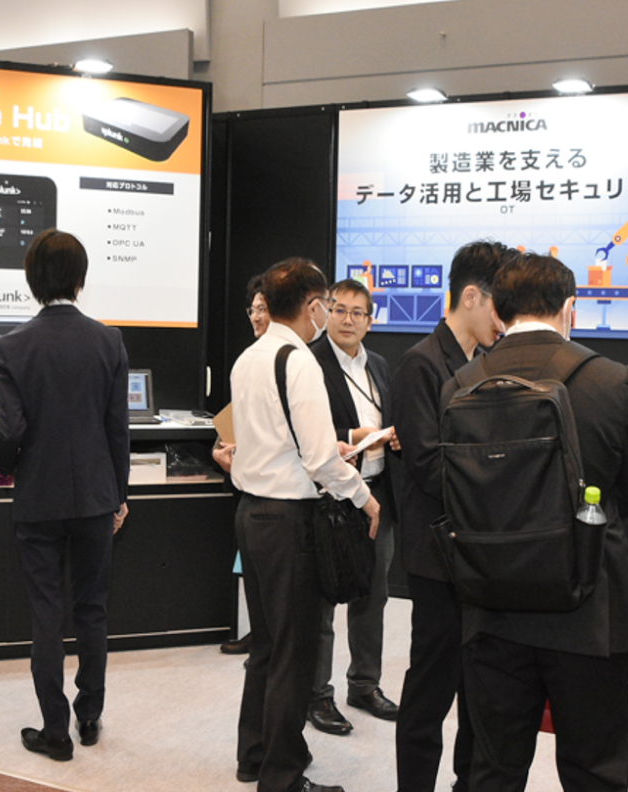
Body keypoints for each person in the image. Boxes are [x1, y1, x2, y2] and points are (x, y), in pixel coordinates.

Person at [461, 251, 628, 792]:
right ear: (570, 307)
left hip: (492, 605)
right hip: (589, 607)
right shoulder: (612, 381)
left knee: (493, 770)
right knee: (595, 770)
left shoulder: (463, 383)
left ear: (497, 311)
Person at [231, 258, 381, 792]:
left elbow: (277, 441)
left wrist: (324, 452)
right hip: (289, 521)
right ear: (314, 306)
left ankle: (255, 755)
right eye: (328, 306)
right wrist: (365, 497)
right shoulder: (299, 361)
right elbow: (320, 461)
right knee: (295, 653)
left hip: (250, 513)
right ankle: (283, 775)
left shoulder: (249, 357)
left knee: (267, 646)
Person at [0, 229, 131, 762]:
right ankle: (89, 715)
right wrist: (118, 493)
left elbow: (11, 431)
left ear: (32, 280)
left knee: (46, 614)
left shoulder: (12, 346)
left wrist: (10, 469)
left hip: (38, 498)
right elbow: (117, 429)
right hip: (96, 496)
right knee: (93, 609)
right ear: (80, 279)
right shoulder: (109, 341)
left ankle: (55, 731)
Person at [390, 240, 508, 792]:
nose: (503, 319)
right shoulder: (421, 363)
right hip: (438, 558)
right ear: (471, 296)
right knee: (430, 688)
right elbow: (426, 465)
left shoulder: (487, 362)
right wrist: (497, 483)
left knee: (479, 691)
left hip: (481, 555)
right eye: (498, 304)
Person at [306, 278, 402, 735]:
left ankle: (364, 684)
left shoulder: (379, 365)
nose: (347, 320)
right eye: (339, 310)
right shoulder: (309, 361)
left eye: (357, 312)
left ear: (370, 320)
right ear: (326, 312)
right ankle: (317, 694)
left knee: (372, 595)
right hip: (329, 496)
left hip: (377, 494)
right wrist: (352, 437)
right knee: (323, 598)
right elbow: (305, 430)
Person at [218, 274, 270, 656]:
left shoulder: (293, 361)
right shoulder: (247, 361)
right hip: (249, 484)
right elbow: (234, 421)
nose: (256, 317)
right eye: (252, 310)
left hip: (277, 489)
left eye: (263, 309)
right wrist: (223, 448)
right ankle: (258, 631)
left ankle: (265, 637)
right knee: (251, 567)